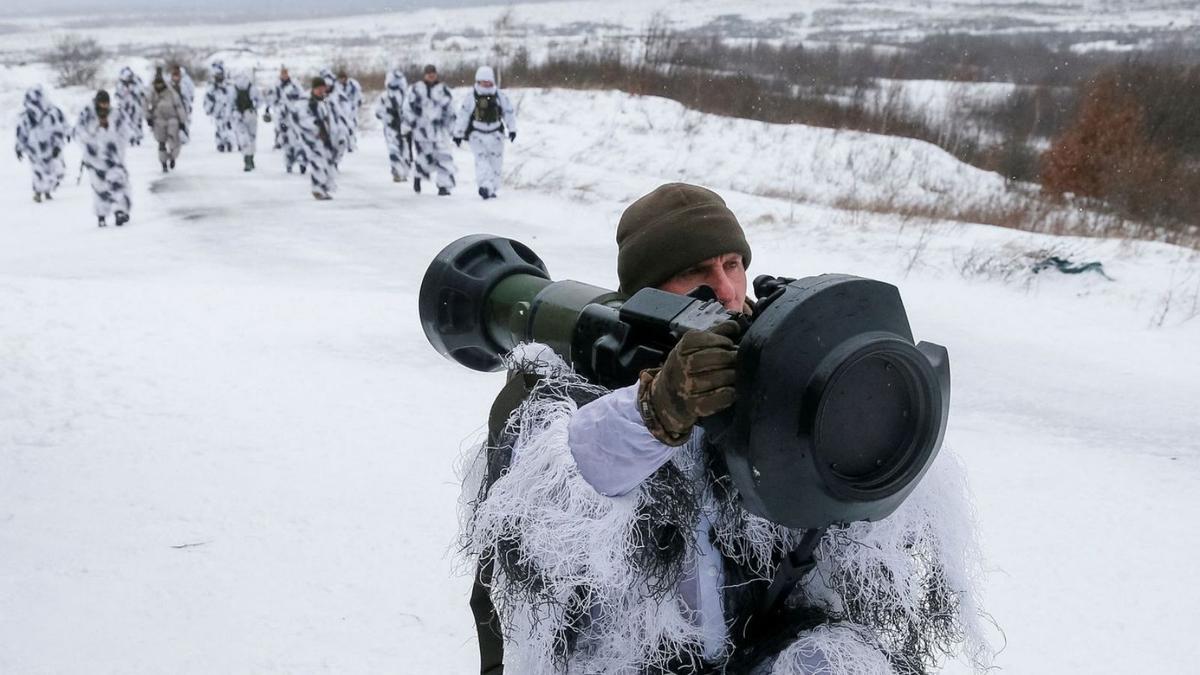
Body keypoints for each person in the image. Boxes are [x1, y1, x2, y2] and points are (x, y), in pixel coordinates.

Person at [460, 184, 988, 674]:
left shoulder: (775, 363)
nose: (727, 289)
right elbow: (555, 516)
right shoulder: (566, 389)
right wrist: (656, 410)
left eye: (733, 264)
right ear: (649, 293)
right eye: (696, 272)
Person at [453, 66, 517, 200]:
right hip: (477, 135)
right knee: (482, 161)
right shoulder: (472, 97)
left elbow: (508, 113)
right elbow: (463, 115)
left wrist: (512, 129)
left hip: (496, 136)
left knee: (496, 164)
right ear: (478, 81)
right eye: (483, 81)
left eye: (488, 81)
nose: (486, 83)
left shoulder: (499, 96)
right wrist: (458, 133)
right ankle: (485, 186)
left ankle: (491, 188)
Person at [74, 90, 133, 227]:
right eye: (102, 103)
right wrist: (90, 144)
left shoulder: (116, 115)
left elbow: (125, 132)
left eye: (107, 103)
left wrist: (118, 148)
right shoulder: (87, 115)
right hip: (95, 159)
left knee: (118, 183)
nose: (105, 106)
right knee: (100, 188)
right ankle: (101, 215)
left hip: (114, 157)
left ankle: (120, 211)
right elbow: (79, 132)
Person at [403, 64, 456, 196]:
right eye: (428, 73)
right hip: (422, 130)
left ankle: (443, 186)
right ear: (424, 75)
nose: (431, 75)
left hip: (439, 130)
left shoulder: (443, 90)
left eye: (433, 73)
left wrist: (453, 128)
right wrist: (410, 124)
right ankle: (418, 176)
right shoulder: (416, 89)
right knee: (424, 157)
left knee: (444, 157)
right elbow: (407, 108)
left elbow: (451, 109)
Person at [14, 85, 69, 203]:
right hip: (34, 148)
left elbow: (58, 130)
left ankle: (48, 190)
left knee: (52, 169)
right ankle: (38, 193)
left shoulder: (51, 113)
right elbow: (21, 133)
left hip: (50, 147)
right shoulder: (26, 117)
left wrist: (58, 145)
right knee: (37, 170)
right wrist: (19, 147)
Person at [292, 77, 338, 201]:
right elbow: (302, 119)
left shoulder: (324, 101)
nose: (321, 91)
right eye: (318, 88)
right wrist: (316, 128)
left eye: (323, 88)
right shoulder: (306, 101)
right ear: (314, 88)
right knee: (318, 162)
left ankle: (323, 188)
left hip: (325, 137)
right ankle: (317, 189)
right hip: (312, 138)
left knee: (327, 162)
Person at [372, 67, 411, 183]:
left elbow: (410, 111)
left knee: (404, 150)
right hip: (391, 127)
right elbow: (378, 112)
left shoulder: (406, 96)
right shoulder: (385, 96)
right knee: (394, 149)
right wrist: (389, 117)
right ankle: (397, 172)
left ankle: (403, 172)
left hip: (403, 127)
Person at [263, 66, 305, 173]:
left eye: (285, 73)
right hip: (281, 115)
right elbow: (270, 98)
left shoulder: (295, 85)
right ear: (280, 74)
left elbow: (303, 96)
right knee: (285, 139)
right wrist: (267, 108)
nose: (284, 75)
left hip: (295, 115)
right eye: (282, 73)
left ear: (288, 74)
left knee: (298, 139)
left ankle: (301, 162)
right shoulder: (276, 86)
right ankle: (289, 163)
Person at [147, 68, 187, 173]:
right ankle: (163, 163)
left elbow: (179, 106)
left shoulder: (171, 92)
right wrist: (148, 117)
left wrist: (182, 121)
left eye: (160, 83)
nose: (159, 86)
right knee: (161, 143)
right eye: (157, 83)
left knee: (175, 143)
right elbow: (145, 105)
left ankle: (173, 158)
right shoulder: (152, 92)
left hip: (172, 120)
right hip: (158, 120)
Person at [231, 73, 263, 172]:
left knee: (243, 138)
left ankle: (247, 160)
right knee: (252, 138)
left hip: (238, 116)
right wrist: (254, 107)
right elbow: (260, 101)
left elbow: (230, 103)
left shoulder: (234, 89)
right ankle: (250, 159)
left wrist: (232, 114)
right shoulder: (253, 88)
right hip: (251, 114)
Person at [203, 60, 235, 153]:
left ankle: (229, 143)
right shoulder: (212, 88)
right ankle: (220, 143)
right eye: (217, 75)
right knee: (219, 128)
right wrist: (209, 109)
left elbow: (232, 97)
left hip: (228, 112)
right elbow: (207, 100)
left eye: (220, 74)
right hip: (217, 112)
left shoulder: (228, 86)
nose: (219, 77)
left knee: (229, 127)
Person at [115, 66, 146, 147]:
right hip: (124, 105)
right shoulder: (120, 83)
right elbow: (118, 94)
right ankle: (128, 137)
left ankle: (137, 137)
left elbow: (142, 91)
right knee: (126, 121)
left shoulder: (136, 81)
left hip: (135, 105)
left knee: (137, 121)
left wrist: (135, 93)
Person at [335, 68, 362, 152]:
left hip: (352, 109)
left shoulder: (353, 84)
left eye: (343, 78)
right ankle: (343, 144)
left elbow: (358, 95)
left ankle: (351, 145)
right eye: (340, 78)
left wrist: (356, 104)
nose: (341, 80)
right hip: (341, 110)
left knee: (352, 127)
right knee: (341, 128)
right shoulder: (336, 86)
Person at [170, 65, 195, 145]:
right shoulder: (169, 85)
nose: (175, 77)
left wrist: (188, 105)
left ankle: (184, 136)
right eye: (174, 76)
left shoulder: (184, 84)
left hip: (182, 107)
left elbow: (188, 95)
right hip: (172, 107)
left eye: (177, 76)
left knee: (183, 122)